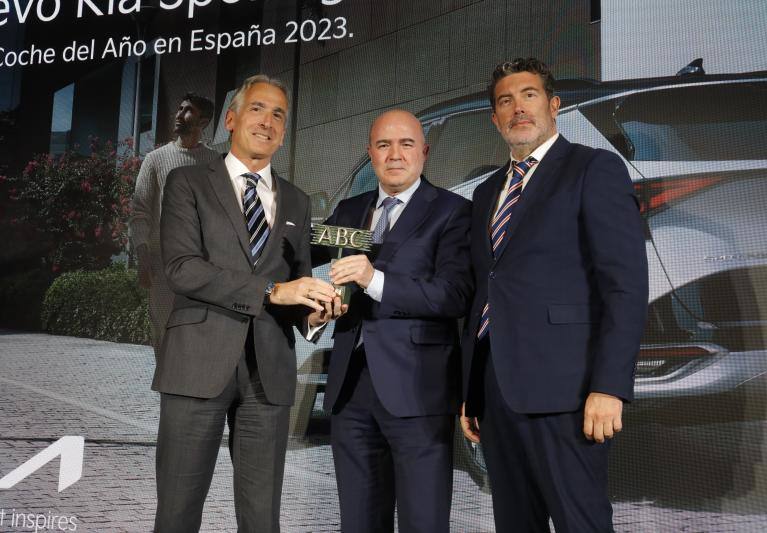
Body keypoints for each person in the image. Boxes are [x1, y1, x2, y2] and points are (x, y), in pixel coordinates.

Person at [459, 58, 648, 532]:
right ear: (494, 118)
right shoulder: (485, 194)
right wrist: (471, 391)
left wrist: (609, 386)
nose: (517, 108)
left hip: (570, 394)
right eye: (506, 101)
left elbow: (624, 286)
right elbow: (485, 293)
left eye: (528, 95)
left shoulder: (594, 169)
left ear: (554, 105)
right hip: (498, 396)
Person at [154, 75, 341, 533]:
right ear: (232, 119)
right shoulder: (187, 182)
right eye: (258, 108)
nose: (269, 120)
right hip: (197, 364)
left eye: (279, 114)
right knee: (177, 514)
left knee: (262, 520)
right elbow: (182, 268)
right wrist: (270, 292)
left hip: (269, 373)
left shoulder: (295, 199)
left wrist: (312, 316)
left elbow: (295, 284)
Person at [315, 109, 472, 532]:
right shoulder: (349, 211)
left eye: (405, 144)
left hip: (418, 393)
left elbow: (454, 295)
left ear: (424, 151)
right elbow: (302, 255)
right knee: (359, 523)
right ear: (370, 154)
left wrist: (373, 279)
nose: (395, 154)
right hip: (350, 394)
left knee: (423, 522)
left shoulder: (453, 212)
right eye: (384, 145)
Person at [130, 92, 218, 359]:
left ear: (203, 122)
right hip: (163, 266)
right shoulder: (155, 160)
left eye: (187, 110)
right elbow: (140, 212)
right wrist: (143, 257)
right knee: (165, 334)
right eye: (179, 109)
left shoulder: (215, 163)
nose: (179, 115)